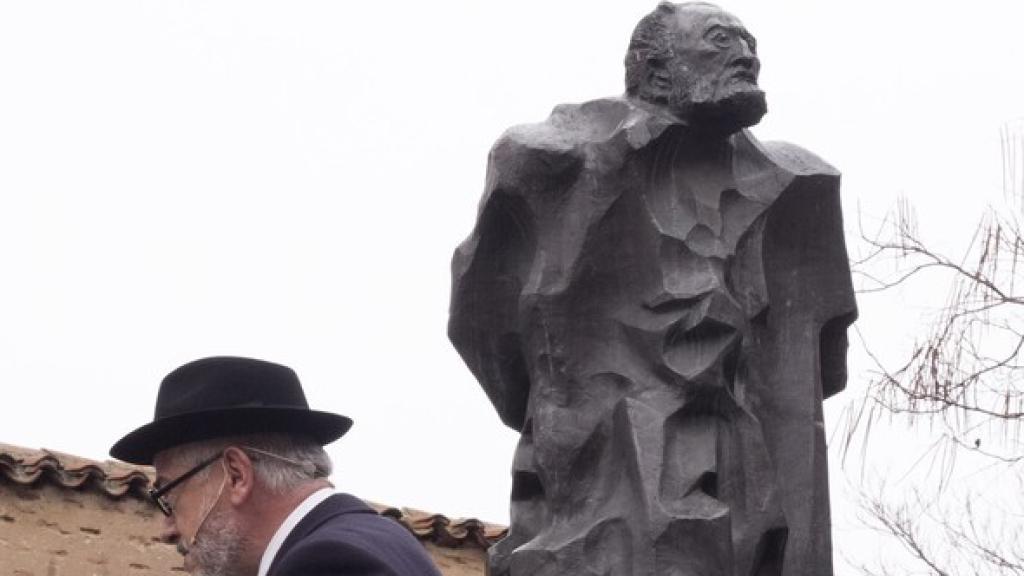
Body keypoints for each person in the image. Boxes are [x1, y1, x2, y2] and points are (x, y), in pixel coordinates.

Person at [449, 2, 856, 575]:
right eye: (721, 41)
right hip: (593, 466)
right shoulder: (553, 160)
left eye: (750, 43)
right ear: (655, 70)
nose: (746, 55)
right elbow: (483, 319)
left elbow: (822, 365)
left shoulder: (801, 189)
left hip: (744, 473)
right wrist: (561, 397)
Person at [110, 356, 443, 576]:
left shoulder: (325, 564)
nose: (166, 530)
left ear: (237, 475)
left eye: (167, 495)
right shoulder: (377, 539)